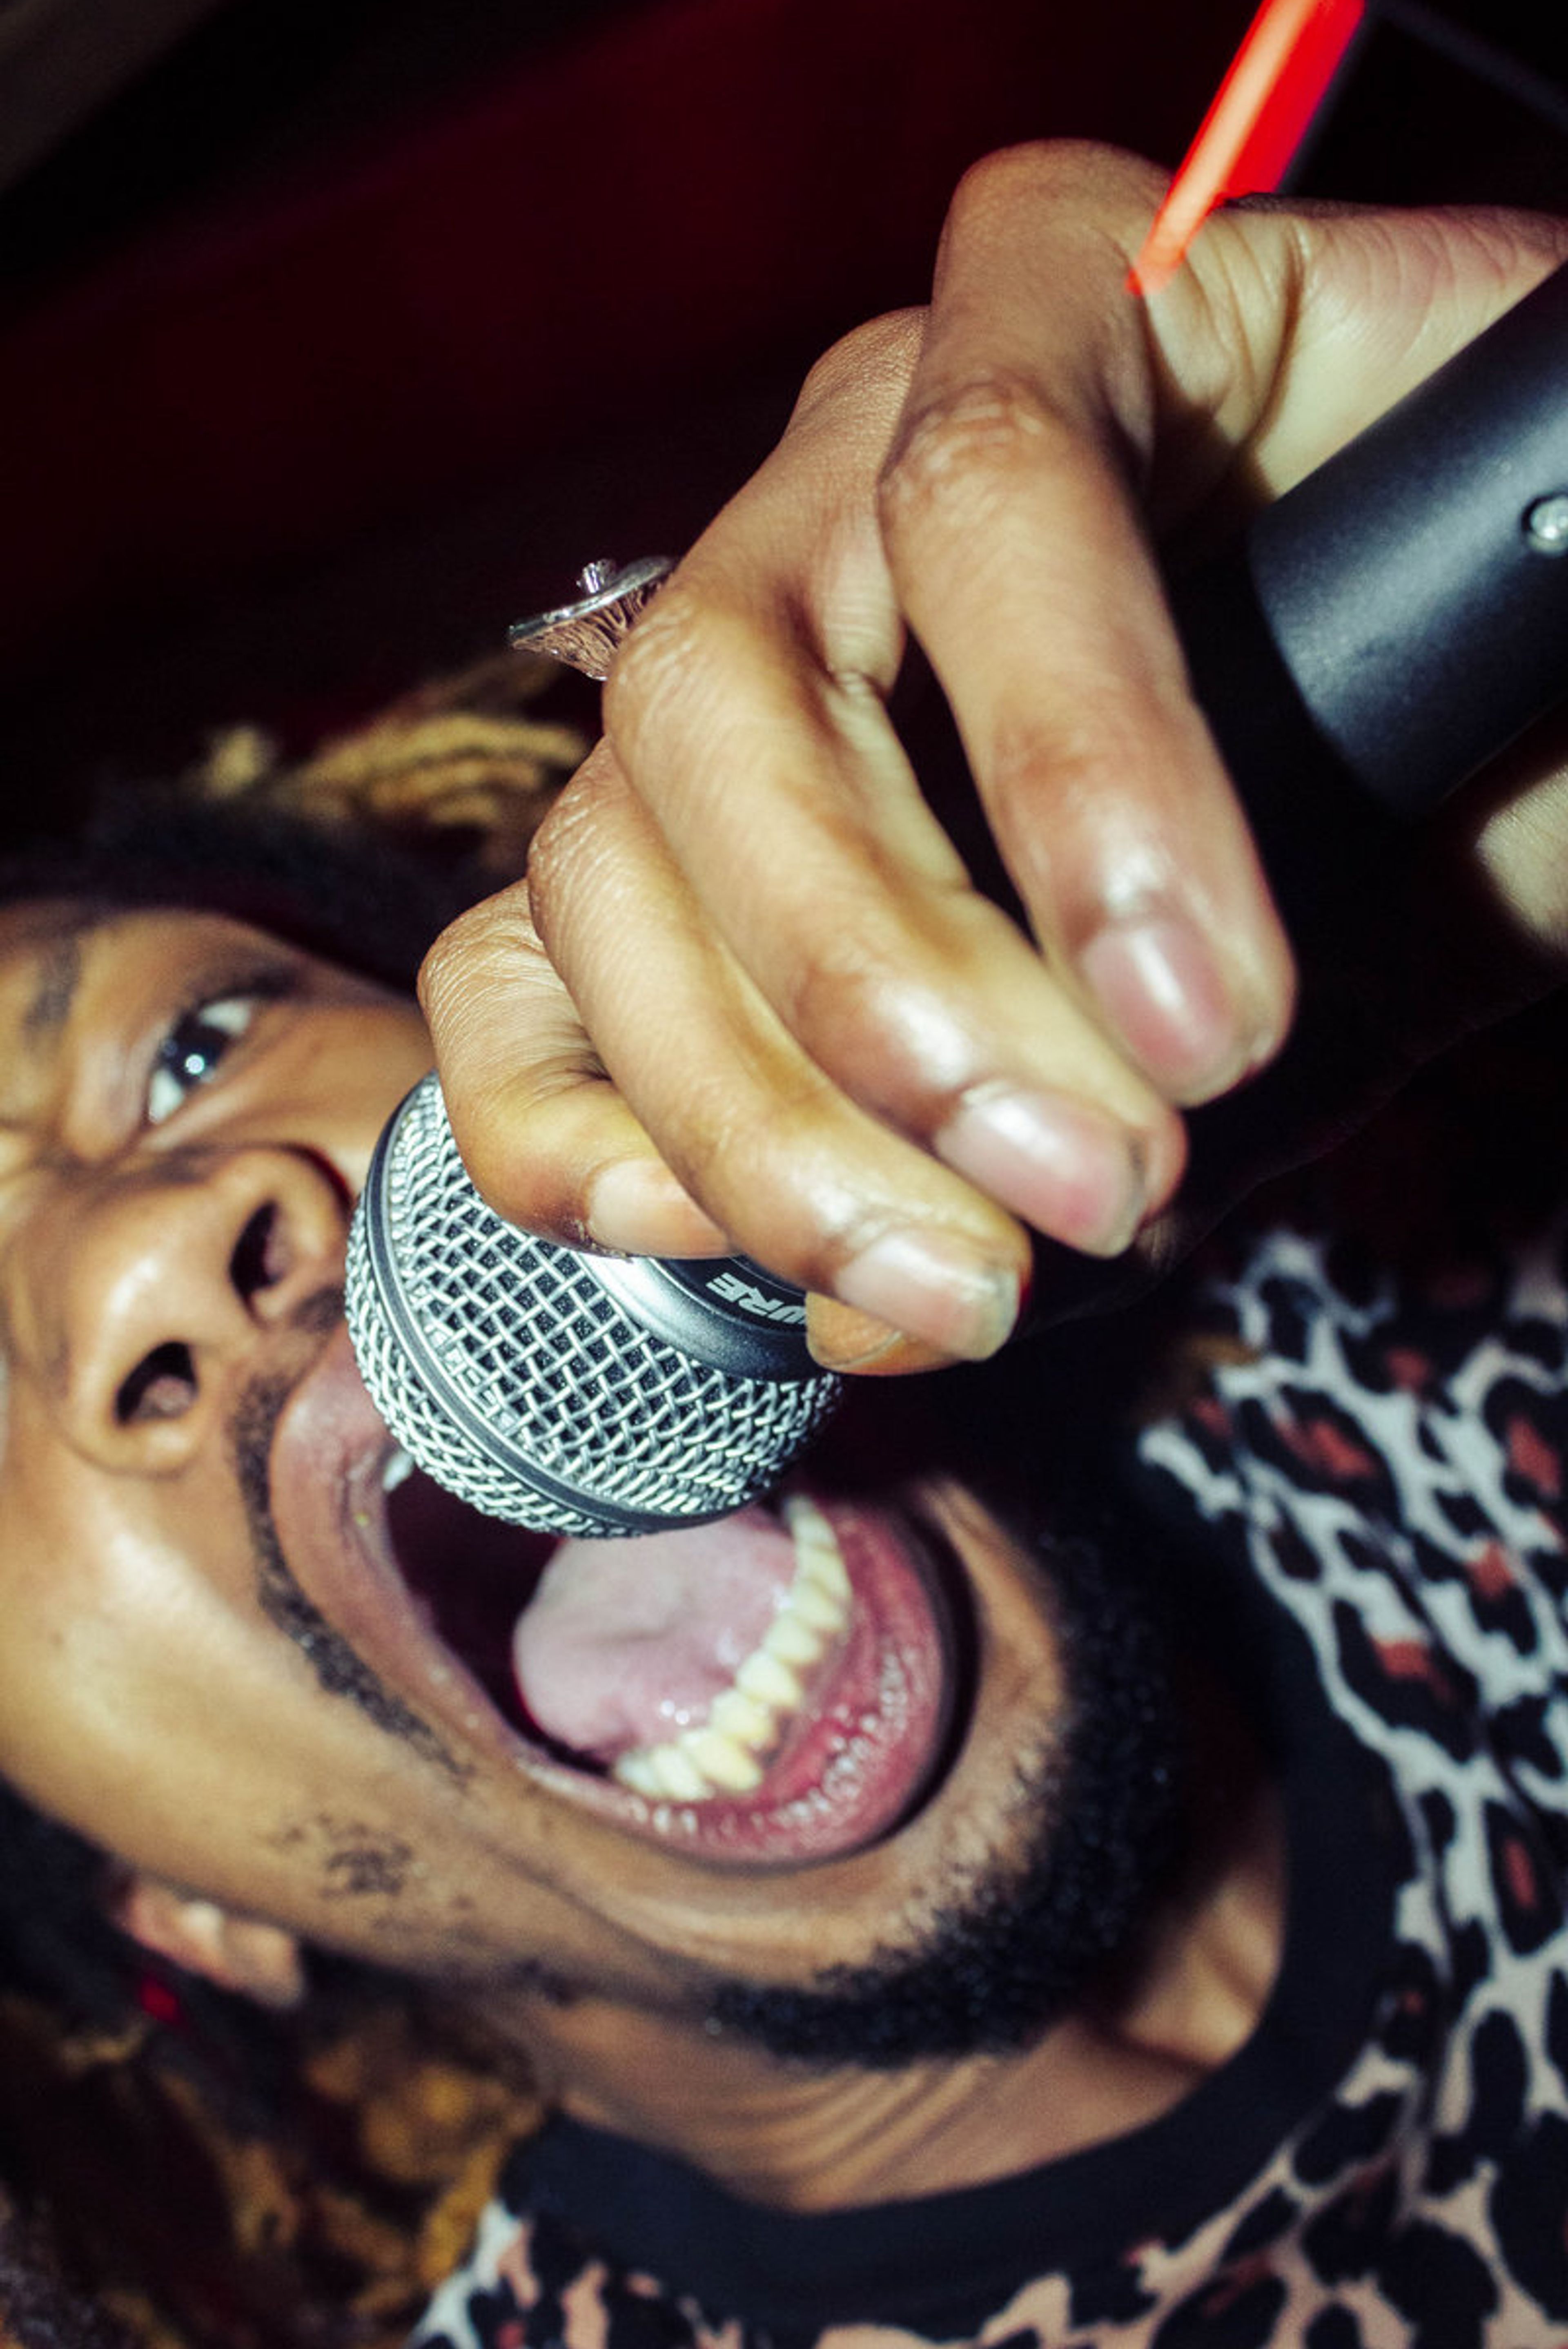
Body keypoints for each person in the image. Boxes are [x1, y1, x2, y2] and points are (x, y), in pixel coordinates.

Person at [0, 143, 1565, 2346]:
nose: (165, 1243)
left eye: (193, 1049)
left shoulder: (1441, 1245)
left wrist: (1419, 587)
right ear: (176, 1913)